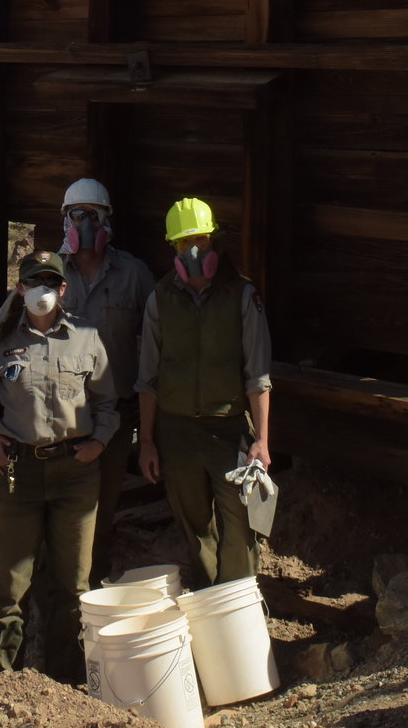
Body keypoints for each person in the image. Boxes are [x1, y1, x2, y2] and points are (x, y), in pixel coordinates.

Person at [0, 250, 119, 679]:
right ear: (21, 288)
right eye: (34, 283)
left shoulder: (86, 337)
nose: (42, 291)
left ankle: (65, 685)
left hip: (76, 473)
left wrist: (99, 443)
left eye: (51, 282)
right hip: (18, 475)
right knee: (10, 588)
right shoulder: (0, 342)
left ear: (63, 289)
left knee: (73, 586)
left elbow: (109, 403)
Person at [136, 197, 273, 587]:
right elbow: (147, 379)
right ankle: (210, 611)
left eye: (198, 239)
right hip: (176, 434)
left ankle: (240, 611)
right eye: (182, 243)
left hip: (228, 430)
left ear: (213, 240)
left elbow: (258, 376)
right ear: (172, 247)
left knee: (240, 529)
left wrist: (261, 439)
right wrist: (146, 441)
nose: (193, 250)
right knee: (195, 532)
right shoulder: (159, 299)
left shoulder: (243, 297)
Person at [52, 177, 154, 580]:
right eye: (77, 216)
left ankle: (94, 587)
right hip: (62, 416)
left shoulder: (134, 275)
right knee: (61, 507)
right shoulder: (50, 274)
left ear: (107, 220)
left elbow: (154, 343)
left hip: (116, 415)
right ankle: (59, 590)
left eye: (92, 216)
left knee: (102, 507)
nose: (85, 224)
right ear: (65, 222)